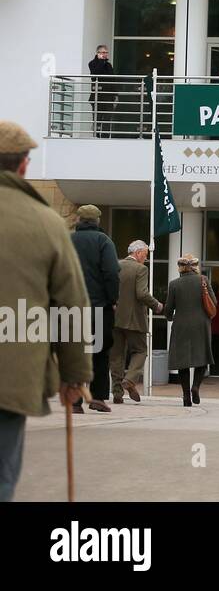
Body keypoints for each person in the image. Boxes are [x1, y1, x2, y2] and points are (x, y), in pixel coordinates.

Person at [0, 122, 91, 501]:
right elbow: (70, 305)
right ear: (23, 166)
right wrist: (74, 377)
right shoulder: (47, 224)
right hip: (10, 374)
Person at [69, 204, 119, 413]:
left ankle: (74, 401)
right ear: (98, 221)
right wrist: (113, 299)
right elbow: (111, 273)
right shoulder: (103, 241)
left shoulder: (67, 240)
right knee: (99, 353)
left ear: (79, 221)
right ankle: (97, 398)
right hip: (99, 307)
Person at [110, 240, 162, 404]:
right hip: (134, 319)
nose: (145, 259)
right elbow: (142, 294)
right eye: (145, 255)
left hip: (115, 317)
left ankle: (117, 393)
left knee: (116, 355)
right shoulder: (141, 269)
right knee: (141, 350)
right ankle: (130, 379)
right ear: (138, 253)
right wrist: (157, 305)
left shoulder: (116, 265)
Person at [163, 255, 215, 407]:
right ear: (195, 266)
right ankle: (196, 386)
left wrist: (169, 316)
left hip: (181, 326)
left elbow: (168, 309)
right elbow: (214, 303)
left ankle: (186, 396)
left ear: (180, 267)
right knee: (202, 358)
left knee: (182, 362)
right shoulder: (203, 280)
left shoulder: (174, 284)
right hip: (201, 325)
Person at [88, 44, 116, 136]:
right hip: (97, 96)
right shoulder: (92, 63)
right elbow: (95, 75)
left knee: (107, 120)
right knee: (97, 119)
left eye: (106, 52)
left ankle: (105, 137)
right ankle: (97, 137)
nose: (105, 54)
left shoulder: (108, 65)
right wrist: (101, 62)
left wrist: (116, 95)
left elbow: (112, 80)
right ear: (98, 53)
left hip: (108, 97)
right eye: (103, 52)